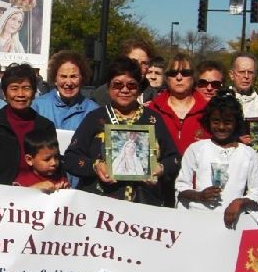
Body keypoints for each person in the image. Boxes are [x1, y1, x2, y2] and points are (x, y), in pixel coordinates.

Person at [65, 57, 179, 205]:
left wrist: (159, 168)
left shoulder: (153, 120)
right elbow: (71, 158)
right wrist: (96, 166)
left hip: (144, 205)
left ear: (139, 88)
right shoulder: (95, 118)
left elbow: (174, 159)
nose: (124, 90)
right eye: (117, 85)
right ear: (108, 87)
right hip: (100, 205)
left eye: (131, 85)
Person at [175, 92, 258, 228]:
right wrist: (200, 196)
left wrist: (239, 203)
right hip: (199, 221)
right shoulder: (197, 149)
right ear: (208, 121)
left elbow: (257, 192)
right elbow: (181, 187)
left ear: (236, 123)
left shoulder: (248, 153)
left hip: (235, 222)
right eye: (216, 121)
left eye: (227, 122)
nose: (221, 127)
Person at [0, 64, 55, 185]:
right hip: (0, 196)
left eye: (26, 88)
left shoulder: (45, 127)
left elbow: (53, 165)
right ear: (4, 93)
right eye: (14, 88)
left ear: (34, 92)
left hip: (39, 195)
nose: (20, 94)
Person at [149, 53, 209, 154]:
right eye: (173, 73)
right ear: (167, 78)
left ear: (193, 76)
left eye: (185, 73)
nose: (179, 77)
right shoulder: (153, 109)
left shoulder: (209, 111)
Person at [32, 50, 98, 131]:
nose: (69, 83)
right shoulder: (38, 106)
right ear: (55, 79)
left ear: (82, 78)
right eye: (63, 76)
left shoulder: (93, 110)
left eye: (73, 76)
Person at [93, 39, 157, 105]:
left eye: (144, 63)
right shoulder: (101, 94)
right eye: (133, 62)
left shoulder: (154, 95)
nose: (138, 67)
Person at [229, 53, 258, 117]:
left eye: (250, 72)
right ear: (232, 75)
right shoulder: (221, 100)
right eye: (242, 72)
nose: (246, 76)